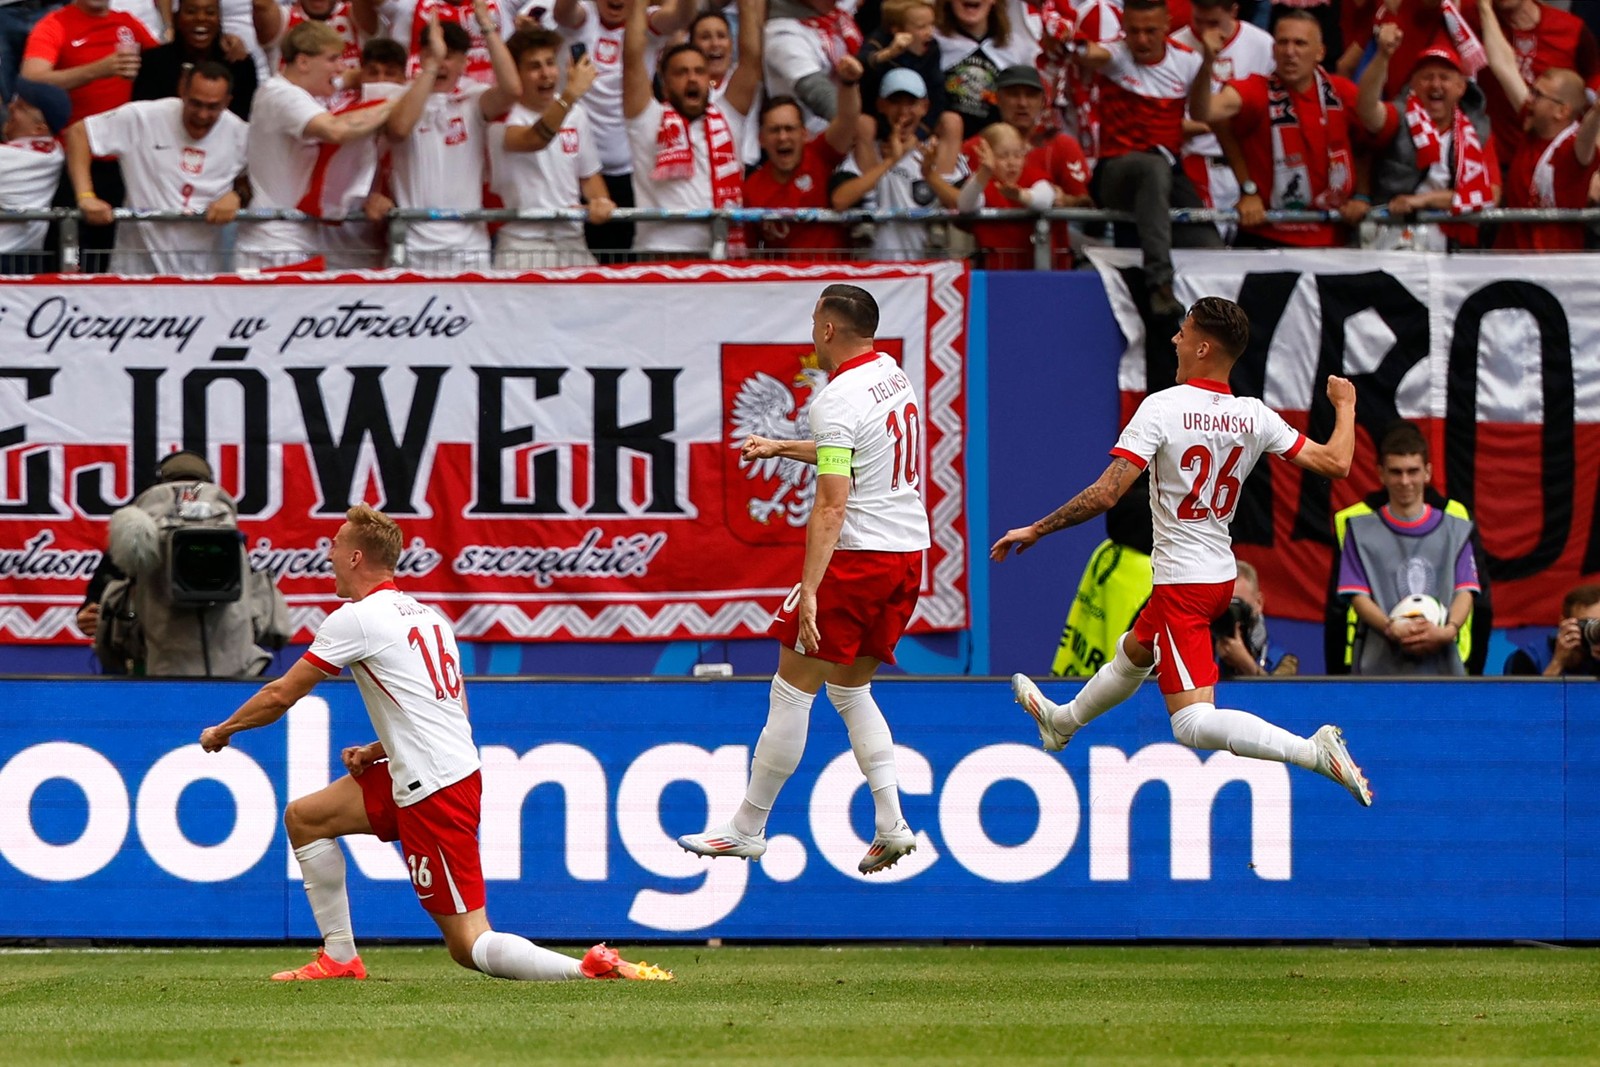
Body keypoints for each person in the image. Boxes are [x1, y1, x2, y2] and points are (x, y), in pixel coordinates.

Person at [199, 504, 672, 983]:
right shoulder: (430, 618)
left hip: (436, 790)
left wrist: (224, 730)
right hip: (428, 771)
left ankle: (589, 969)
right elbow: (452, 711)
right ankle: (340, 959)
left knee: (468, 944)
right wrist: (377, 751)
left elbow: (281, 693)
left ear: (357, 557)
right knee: (306, 818)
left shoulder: (356, 618)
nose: (330, 556)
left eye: (336, 546)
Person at [993, 296, 1374, 808]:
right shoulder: (1252, 414)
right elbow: (1336, 462)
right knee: (1136, 649)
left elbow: (1108, 493)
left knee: (1192, 724)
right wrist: (1345, 407)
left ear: (1201, 345)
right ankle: (1062, 722)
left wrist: (1038, 528)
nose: (1174, 339)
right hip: (1218, 574)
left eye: (1182, 332)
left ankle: (1312, 751)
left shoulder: (1163, 408)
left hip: (1183, 584)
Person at [678, 284, 929, 873]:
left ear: (826, 331)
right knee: (850, 688)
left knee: (792, 689)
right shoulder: (891, 374)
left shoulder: (836, 399)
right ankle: (892, 822)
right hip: (907, 553)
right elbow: (850, 451)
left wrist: (811, 589)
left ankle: (746, 827)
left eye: (813, 319)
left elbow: (832, 504)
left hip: (859, 557)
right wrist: (782, 447)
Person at [1071, 0, 1223, 318]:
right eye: (1133, 32)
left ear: (1167, 24)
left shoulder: (1187, 59)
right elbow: (1088, 53)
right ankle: (1160, 286)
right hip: (1117, 170)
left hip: (1168, 166)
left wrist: (1208, 61)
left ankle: (1212, 325)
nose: (1141, 40)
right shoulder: (1115, 55)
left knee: (1208, 244)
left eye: (1150, 31)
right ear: (1123, 28)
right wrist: (1069, 40)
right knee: (1151, 167)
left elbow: (1200, 113)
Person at [95, 449, 290, 677]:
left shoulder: (137, 540)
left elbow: (108, 627)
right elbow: (275, 629)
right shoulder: (230, 539)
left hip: (159, 675)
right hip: (235, 676)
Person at [1195, 8, 1368, 248]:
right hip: (1266, 236)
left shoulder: (1342, 93)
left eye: (1300, 43)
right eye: (1283, 43)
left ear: (1320, 52)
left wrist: (1362, 194)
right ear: (1273, 50)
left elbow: (1373, 140)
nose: (1290, 52)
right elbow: (1204, 112)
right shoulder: (1256, 90)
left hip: (1332, 240)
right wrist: (1207, 64)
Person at [235, 20, 398, 269]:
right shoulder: (283, 95)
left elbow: (342, 79)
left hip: (291, 238)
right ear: (303, 62)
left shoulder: (295, 88)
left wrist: (357, 79)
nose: (340, 67)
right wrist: (397, 100)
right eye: (332, 59)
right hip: (275, 244)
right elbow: (336, 130)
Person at [548, 0, 699, 258]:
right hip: (577, 172)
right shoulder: (583, 17)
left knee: (622, 263)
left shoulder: (647, 23)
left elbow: (681, 16)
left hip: (630, 171)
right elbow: (563, 12)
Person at [67, 61, 248, 273]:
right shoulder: (144, 117)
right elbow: (79, 133)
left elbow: (255, 178)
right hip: (136, 269)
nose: (202, 115)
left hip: (202, 271)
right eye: (195, 104)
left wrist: (237, 196)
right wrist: (86, 196)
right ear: (182, 91)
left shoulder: (240, 133)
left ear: (227, 101)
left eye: (213, 107)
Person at [1334, 420, 1482, 677]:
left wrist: (1448, 631)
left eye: (1413, 471)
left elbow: (1465, 590)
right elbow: (1357, 596)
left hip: (1443, 667)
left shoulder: (1456, 529)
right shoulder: (1359, 531)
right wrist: (1391, 628)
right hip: (1377, 668)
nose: (1405, 481)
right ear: (1381, 474)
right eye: (1396, 472)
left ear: (1427, 472)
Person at [21, 0, 160, 271]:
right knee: (63, 256)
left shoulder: (127, 23)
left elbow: (164, 63)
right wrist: (97, 70)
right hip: (72, 159)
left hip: (124, 162)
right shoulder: (56, 23)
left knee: (113, 257)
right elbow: (32, 78)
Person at [379, 4, 520, 270]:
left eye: (450, 55)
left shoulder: (474, 99)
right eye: (432, 53)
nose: (441, 62)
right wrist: (430, 69)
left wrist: (487, 27)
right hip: (412, 247)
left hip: (469, 248)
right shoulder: (399, 98)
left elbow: (512, 90)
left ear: (465, 61)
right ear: (420, 56)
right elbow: (398, 130)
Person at [623, 0, 761, 258]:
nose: (692, 78)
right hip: (660, 254)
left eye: (699, 71)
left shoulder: (728, 115)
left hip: (721, 252)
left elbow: (751, 58)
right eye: (681, 72)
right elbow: (632, 59)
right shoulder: (646, 118)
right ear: (664, 84)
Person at [1355, 24, 1499, 251]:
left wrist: (1422, 201)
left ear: (1461, 87)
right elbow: (1367, 109)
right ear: (1413, 84)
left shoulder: (1477, 130)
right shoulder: (1400, 115)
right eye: (1427, 77)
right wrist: (1383, 56)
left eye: (1444, 77)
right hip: (1392, 235)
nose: (1435, 85)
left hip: (1453, 242)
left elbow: (1490, 194)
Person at [1477, 0, 1600, 251]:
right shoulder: (1531, 125)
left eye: (1538, 94)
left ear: (1562, 111)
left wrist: (1597, 112)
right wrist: (1484, 7)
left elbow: (1588, 135)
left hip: (1556, 271)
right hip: (1510, 261)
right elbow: (1503, 65)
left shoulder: (1574, 151)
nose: (1528, 98)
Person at [489, 27, 610, 267]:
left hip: (571, 240)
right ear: (516, 73)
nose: (546, 74)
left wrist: (600, 200)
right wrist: (570, 95)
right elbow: (535, 139)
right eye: (534, 67)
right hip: (521, 245)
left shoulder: (576, 114)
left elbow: (589, 175)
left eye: (550, 63)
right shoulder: (500, 115)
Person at [741, 55, 861, 260]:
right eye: (775, 130)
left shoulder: (820, 155)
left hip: (833, 279)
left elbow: (848, 122)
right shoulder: (751, 189)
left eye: (790, 129)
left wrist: (848, 84)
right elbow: (751, 251)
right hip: (787, 286)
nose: (783, 137)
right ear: (761, 139)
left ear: (804, 134)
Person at [832, 67, 958, 260]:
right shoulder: (866, 150)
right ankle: (869, 216)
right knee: (863, 124)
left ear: (924, 107)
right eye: (895, 102)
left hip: (927, 271)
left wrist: (930, 176)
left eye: (911, 103)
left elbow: (962, 203)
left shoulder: (932, 152)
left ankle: (936, 223)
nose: (903, 111)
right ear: (881, 105)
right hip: (877, 272)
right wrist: (891, 161)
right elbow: (840, 200)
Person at [1170, 0, 1273, 235]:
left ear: (1233, 11)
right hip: (1198, 163)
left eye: (1214, 23)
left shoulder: (1261, 43)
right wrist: (1214, 123)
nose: (1206, 31)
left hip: (1251, 167)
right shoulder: (1175, 46)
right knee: (1208, 251)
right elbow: (1167, 122)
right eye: (1199, 21)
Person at [132, 0, 259, 121]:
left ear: (219, 18)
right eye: (191, 11)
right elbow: (143, 117)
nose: (201, 18)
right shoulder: (152, 63)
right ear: (177, 18)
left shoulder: (239, 64)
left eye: (210, 12)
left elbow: (245, 122)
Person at [0, 77, 69, 273]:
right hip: (26, 258)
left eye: (21, 107)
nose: (11, 107)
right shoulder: (54, 151)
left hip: (6, 259)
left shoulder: (13, 158)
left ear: (39, 129)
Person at [1213, 558, 1296, 679]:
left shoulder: (1284, 661)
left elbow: (1277, 696)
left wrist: (1246, 664)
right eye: (1226, 605)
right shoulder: (1203, 651)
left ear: (1259, 603)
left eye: (1238, 604)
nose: (1232, 613)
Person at [1505, 583, 1600, 678]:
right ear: (1563, 621)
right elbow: (1527, 693)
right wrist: (1557, 662)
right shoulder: (1527, 657)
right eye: (1587, 623)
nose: (1594, 630)